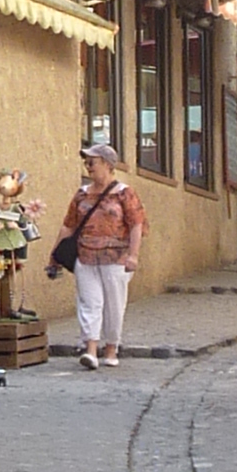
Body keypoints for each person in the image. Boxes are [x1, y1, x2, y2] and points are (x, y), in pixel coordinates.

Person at [58, 135, 146, 368]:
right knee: (89, 303)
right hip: (85, 257)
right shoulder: (82, 194)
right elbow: (69, 224)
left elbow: (137, 224)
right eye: (86, 162)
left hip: (115, 258)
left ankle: (111, 348)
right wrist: (55, 254)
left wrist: (133, 255)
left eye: (92, 162)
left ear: (108, 164)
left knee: (114, 304)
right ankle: (91, 350)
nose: (88, 167)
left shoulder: (124, 192)